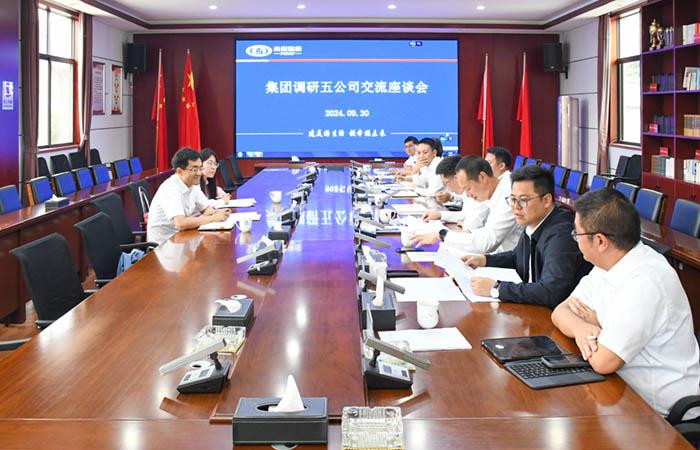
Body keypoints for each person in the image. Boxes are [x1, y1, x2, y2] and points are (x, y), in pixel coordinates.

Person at [551, 188, 700, 416]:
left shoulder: (646, 280)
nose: (575, 240)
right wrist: (581, 327)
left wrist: (597, 321)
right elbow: (560, 311)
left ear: (600, 241)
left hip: (659, 414)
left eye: (577, 234)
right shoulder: (609, 263)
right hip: (620, 390)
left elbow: (603, 362)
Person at [464, 165, 591, 308]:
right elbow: (517, 257)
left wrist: (497, 288)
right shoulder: (533, 221)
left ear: (546, 200)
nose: (516, 207)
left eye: (523, 200)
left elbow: (552, 291)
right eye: (513, 199)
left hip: (554, 314)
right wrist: (484, 260)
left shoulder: (562, 235)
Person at [411, 156, 521, 254]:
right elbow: (486, 233)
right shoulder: (496, 191)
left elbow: (487, 243)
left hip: (508, 262)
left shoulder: (509, 194)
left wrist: (443, 234)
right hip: (497, 256)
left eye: (468, 189)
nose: (467, 195)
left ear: (482, 177)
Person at [147, 148, 231, 245]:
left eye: (200, 168)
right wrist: (213, 218)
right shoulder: (170, 188)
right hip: (163, 245)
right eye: (194, 169)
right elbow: (181, 223)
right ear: (180, 171)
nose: (199, 173)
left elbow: (207, 210)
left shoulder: (193, 184)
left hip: (182, 238)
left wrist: (219, 213)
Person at [422, 155, 489, 230]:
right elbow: (465, 215)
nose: (447, 188)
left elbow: (471, 226)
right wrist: (440, 215)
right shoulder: (468, 192)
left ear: (456, 178)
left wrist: (465, 224)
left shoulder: (477, 192)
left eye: (445, 183)